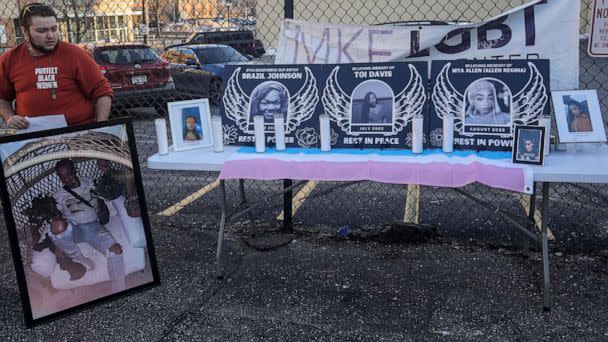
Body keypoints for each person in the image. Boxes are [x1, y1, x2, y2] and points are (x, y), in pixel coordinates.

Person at [0, 3, 113, 129]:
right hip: (31, 136)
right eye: (42, 31)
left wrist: (99, 128)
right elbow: (2, 98)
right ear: (25, 31)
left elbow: (103, 92)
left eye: (54, 29)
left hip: (77, 133)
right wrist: (10, 117)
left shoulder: (76, 55)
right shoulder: (9, 59)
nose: (51, 36)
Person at [49, 159, 125, 292]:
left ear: (75, 170)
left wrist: (107, 171)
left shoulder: (89, 182)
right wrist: (58, 243)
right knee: (58, 225)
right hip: (73, 228)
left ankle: (119, 291)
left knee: (116, 250)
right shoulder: (58, 195)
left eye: (69, 173)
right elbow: (55, 220)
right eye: (63, 176)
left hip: (93, 227)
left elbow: (112, 191)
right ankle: (80, 258)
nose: (67, 178)